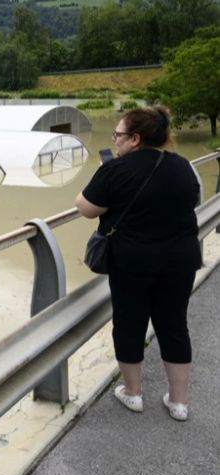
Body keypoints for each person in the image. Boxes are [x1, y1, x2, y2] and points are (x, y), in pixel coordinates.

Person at [75, 106, 201, 421]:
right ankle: (179, 402)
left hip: (132, 264)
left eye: (117, 135)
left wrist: (105, 173)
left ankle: (133, 394)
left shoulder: (116, 170)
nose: (114, 140)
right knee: (174, 326)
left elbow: (85, 208)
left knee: (129, 326)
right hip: (180, 260)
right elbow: (193, 199)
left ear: (135, 138)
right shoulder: (183, 166)